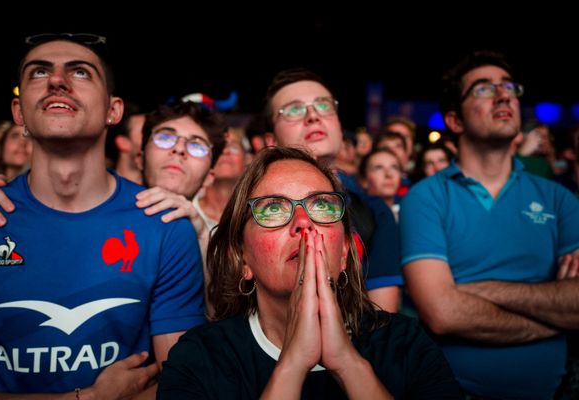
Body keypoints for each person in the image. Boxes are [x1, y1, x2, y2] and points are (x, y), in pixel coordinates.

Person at [0, 33, 205, 398]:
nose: (57, 81)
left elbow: (183, 386)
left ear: (113, 111)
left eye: (80, 73)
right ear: (19, 112)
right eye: (38, 73)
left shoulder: (163, 225)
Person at [157, 146, 461, 399]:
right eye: (273, 208)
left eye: (321, 206)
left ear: (343, 253)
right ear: (242, 258)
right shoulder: (199, 359)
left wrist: (347, 364)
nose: (303, 222)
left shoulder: (405, 345)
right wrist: (292, 365)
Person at [400, 50, 579, 399]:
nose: (503, 95)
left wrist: (471, 289)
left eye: (509, 87)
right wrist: (556, 318)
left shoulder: (559, 199)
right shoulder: (427, 197)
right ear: (454, 121)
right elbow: (442, 314)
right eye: (483, 89)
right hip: (455, 393)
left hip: (556, 392)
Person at [262, 68, 402, 312]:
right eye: (294, 110)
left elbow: (383, 323)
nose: (313, 116)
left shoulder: (374, 213)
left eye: (324, 105)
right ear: (271, 140)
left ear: (338, 125)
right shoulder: (253, 210)